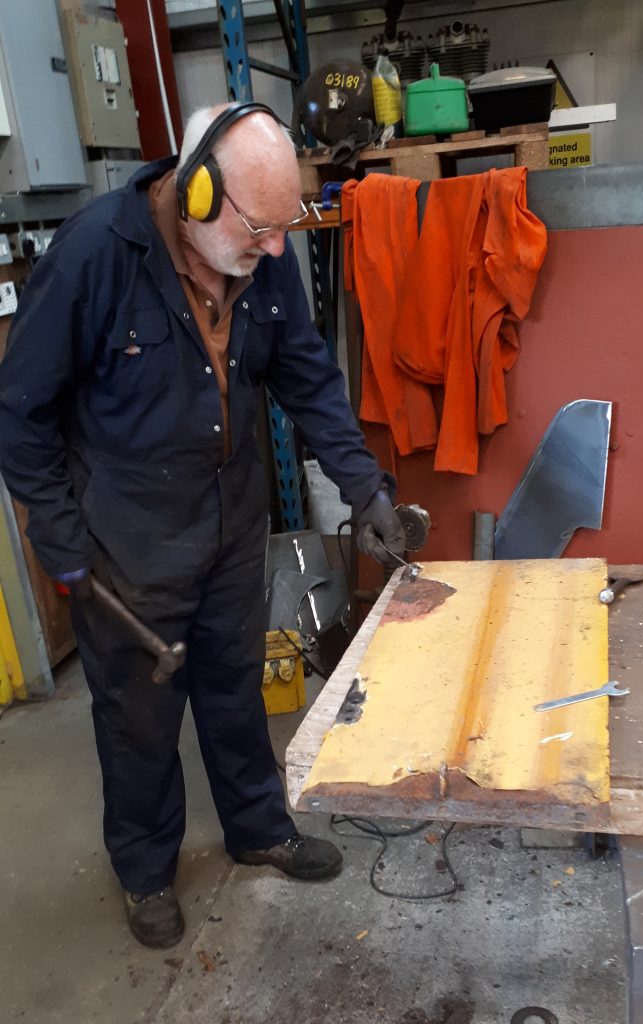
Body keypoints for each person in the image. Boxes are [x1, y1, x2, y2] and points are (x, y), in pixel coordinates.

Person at [0, 102, 406, 949]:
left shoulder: (261, 251)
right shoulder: (92, 257)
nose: (272, 248)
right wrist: (63, 544)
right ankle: (146, 872)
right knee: (139, 724)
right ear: (194, 195)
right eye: (259, 228)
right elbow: (20, 410)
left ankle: (258, 829)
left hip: (229, 527)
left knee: (233, 692)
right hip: (128, 549)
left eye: (279, 227)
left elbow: (304, 376)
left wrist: (364, 488)